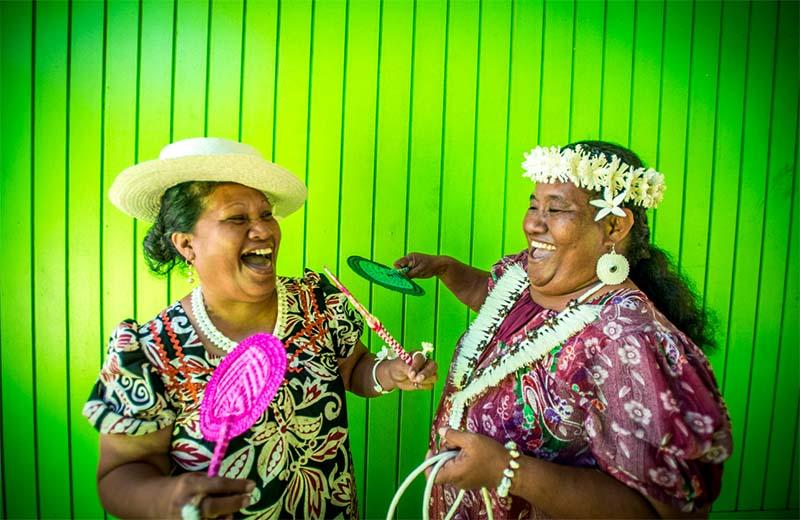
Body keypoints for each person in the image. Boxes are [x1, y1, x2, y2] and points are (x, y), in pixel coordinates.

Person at [83, 137, 437, 519]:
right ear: (187, 244)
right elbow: (119, 474)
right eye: (238, 219)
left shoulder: (316, 302)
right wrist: (168, 498)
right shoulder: (152, 352)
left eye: (266, 215)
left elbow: (353, 369)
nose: (263, 231)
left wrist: (388, 373)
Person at [395, 141, 731, 519]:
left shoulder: (627, 343)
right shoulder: (525, 280)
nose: (533, 223)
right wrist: (446, 268)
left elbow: (668, 515)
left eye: (556, 209)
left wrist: (507, 471)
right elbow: (495, 302)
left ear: (614, 226)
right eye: (533, 205)